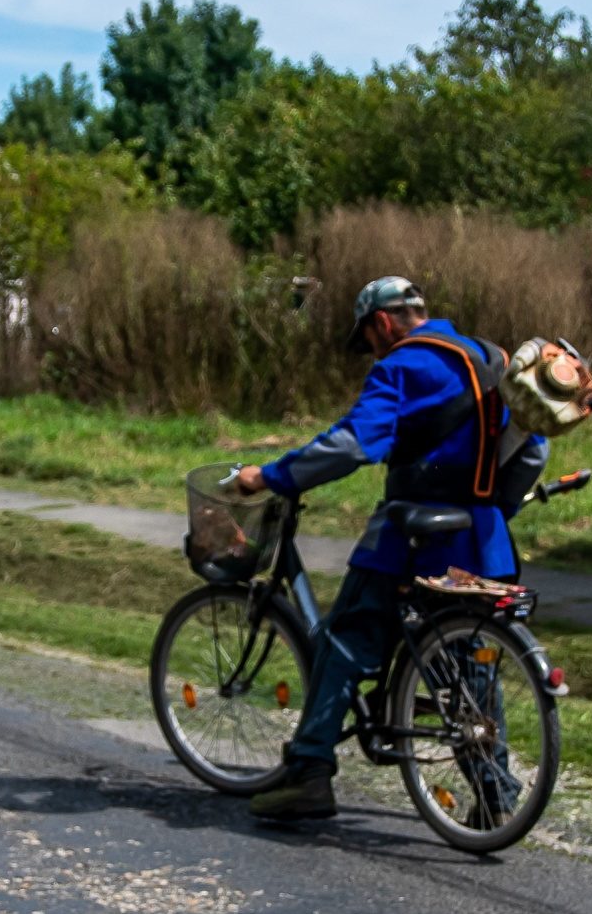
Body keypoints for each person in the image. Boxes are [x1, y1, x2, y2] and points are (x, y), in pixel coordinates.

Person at [233, 276, 547, 823]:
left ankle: (309, 773)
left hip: (411, 539)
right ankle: (494, 796)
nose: (371, 353)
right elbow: (534, 449)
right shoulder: (491, 358)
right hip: (485, 541)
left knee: (345, 640)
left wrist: (277, 475)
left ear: (381, 324)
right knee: (471, 669)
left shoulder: (401, 366)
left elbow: (355, 443)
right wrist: (495, 511)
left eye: (369, 341)